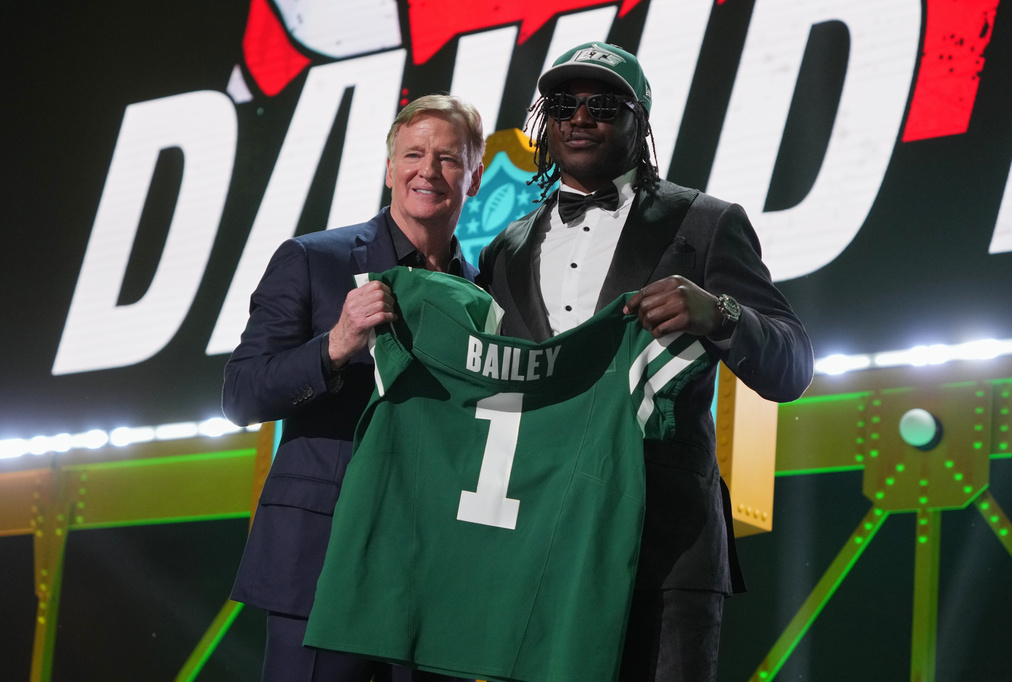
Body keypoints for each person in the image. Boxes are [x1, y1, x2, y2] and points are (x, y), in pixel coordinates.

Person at [477, 42, 814, 681]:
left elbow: (793, 366)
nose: (580, 117)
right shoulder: (506, 249)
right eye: (564, 103)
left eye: (604, 104)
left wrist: (721, 314)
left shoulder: (707, 222)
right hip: (539, 545)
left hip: (666, 546)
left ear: (642, 123)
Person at [222, 94, 483, 682]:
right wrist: (334, 345)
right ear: (389, 168)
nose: (428, 170)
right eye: (413, 154)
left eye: (447, 158)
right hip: (322, 555)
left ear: (475, 173)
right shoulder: (313, 259)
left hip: (438, 568)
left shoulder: (486, 293)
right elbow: (240, 394)